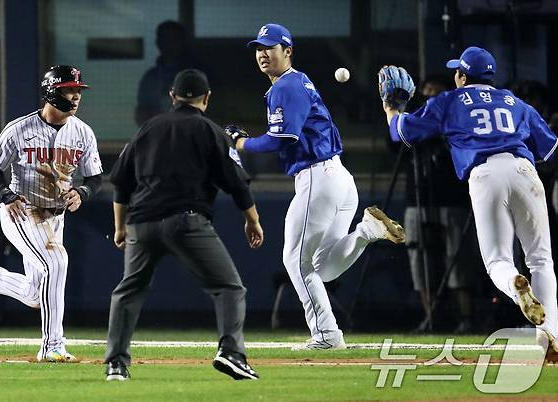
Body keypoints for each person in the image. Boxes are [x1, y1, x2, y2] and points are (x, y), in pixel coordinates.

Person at [231, 23, 406, 351]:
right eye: (258, 48)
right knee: (322, 267)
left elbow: (282, 138)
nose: (263, 54)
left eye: (270, 47)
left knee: (295, 260)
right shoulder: (298, 82)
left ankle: (327, 335)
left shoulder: (287, 85)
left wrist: (242, 142)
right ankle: (367, 231)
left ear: (288, 51)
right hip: (339, 178)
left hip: (318, 180)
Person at [381, 46, 558, 361]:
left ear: (461, 75)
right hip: (523, 169)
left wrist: (391, 107)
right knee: (541, 260)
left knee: (497, 262)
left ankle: (516, 287)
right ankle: (550, 339)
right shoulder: (514, 101)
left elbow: (401, 134)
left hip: (485, 175)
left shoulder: (449, 100)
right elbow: (549, 148)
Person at [105, 69, 263, 381]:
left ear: (172, 96)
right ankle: (231, 353)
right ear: (206, 98)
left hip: (141, 223)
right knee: (229, 288)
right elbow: (237, 183)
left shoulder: (147, 129)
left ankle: (115, 364)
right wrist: (253, 221)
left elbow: (121, 183)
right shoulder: (211, 131)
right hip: (186, 221)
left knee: (128, 291)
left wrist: (121, 227)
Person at [0, 65, 103, 362]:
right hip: (22, 211)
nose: (75, 95)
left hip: (56, 217)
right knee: (57, 261)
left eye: (77, 90)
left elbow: (95, 178)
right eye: (69, 89)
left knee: (35, 294)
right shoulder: (20, 128)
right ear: (51, 91)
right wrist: (5, 195)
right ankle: (53, 345)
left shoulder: (82, 132)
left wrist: (82, 193)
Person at [399, 76, 477, 333]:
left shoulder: (456, 116)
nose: (430, 93)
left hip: (452, 198)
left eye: (436, 89)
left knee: (457, 260)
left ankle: (466, 317)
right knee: (419, 261)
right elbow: (395, 143)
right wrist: (402, 113)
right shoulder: (417, 117)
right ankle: (431, 317)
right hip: (418, 199)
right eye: (426, 89)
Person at [134, 20, 201, 126]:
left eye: (174, 39)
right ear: (158, 43)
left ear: (182, 41)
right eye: (165, 39)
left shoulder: (198, 75)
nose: (169, 44)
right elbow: (141, 114)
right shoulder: (151, 78)